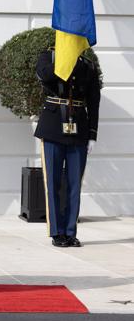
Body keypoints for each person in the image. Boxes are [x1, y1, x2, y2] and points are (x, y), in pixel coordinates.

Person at [34, 49, 100, 248]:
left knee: (74, 184)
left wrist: (92, 134)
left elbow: (94, 102)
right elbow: (44, 75)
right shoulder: (49, 57)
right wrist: (65, 59)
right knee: (53, 183)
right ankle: (57, 232)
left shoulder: (88, 65)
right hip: (53, 127)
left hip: (78, 127)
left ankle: (71, 231)